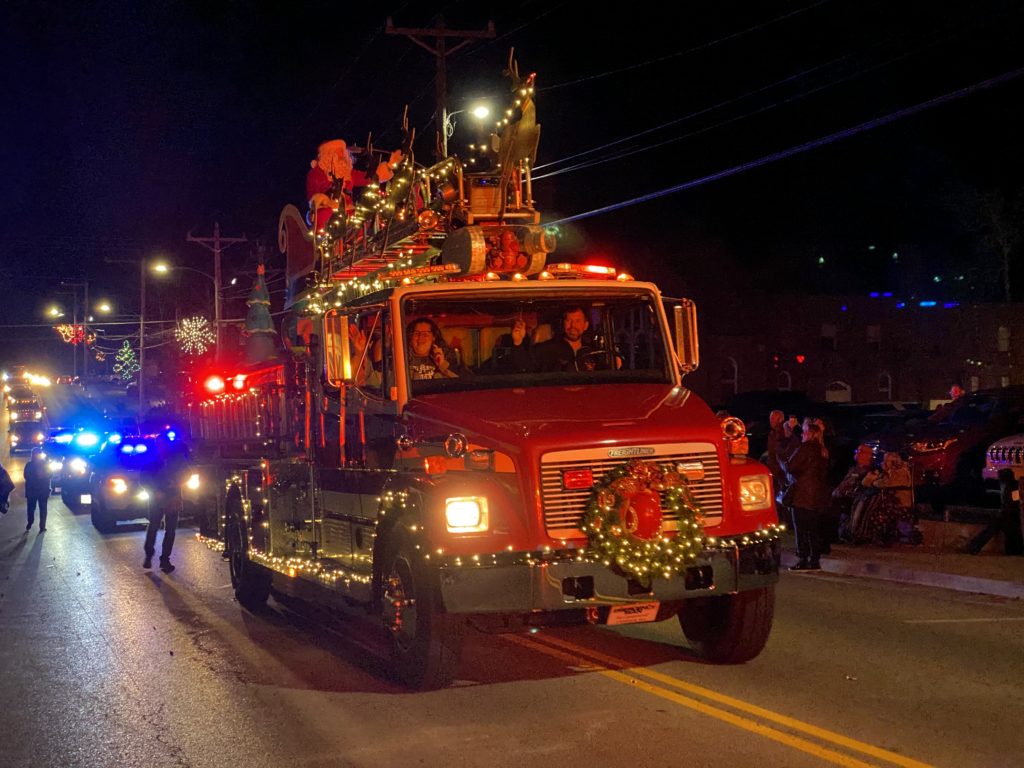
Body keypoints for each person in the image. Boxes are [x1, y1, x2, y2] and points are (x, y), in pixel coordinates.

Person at [780, 422, 831, 571]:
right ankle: (814, 560)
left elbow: (791, 466)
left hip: (803, 494)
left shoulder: (806, 448)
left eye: (803, 432)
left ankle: (803, 558)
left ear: (809, 434)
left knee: (801, 528)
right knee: (813, 529)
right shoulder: (822, 451)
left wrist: (783, 461)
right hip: (816, 495)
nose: (802, 435)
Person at [142, 436, 192, 573]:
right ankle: (149, 554)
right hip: (157, 499)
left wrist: (175, 482)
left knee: (170, 530)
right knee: (153, 526)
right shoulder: (151, 461)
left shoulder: (177, 459)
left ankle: (165, 559)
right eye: (159, 445)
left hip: (172, 498)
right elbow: (144, 479)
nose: (162, 447)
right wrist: (155, 490)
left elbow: (187, 474)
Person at [859, 452, 916, 546]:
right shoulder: (888, 472)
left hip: (899, 502)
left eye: (886, 461)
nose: (883, 463)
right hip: (888, 501)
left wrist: (875, 482)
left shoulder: (901, 472)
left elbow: (887, 483)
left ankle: (876, 535)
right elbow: (865, 483)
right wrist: (871, 477)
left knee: (877, 511)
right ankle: (862, 533)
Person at [533, 306, 600, 372]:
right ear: (562, 323)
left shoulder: (593, 353)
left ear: (585, 325)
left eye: (577, 321)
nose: (573, 326)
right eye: (568, 320)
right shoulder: (545, 351)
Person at [833, 444, 877, 543]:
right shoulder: (854, 468)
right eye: (857, 451)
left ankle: (847, 533)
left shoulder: (870, 470)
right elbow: (845, 482)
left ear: (868, 455)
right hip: (843, 494)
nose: (857, 454)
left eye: (861, 452)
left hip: (855, 496)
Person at [23, 447, 51, 532]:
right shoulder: (45, 464)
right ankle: (42, 526)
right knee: (43, 509)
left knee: (31, 508)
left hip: (32, 491)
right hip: (42, 490)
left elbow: (26, 476)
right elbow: (50, 474)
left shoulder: (29, 465)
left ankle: (30, 522)